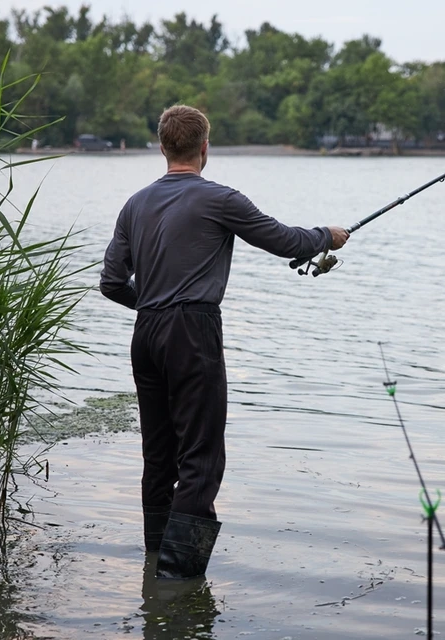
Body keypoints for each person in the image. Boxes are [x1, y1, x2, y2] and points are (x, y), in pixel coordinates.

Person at [100, 105, 349, 580]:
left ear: (162, 146)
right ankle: (179, 577)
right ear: (204, 148)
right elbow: (283, 240)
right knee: (201, 454)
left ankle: (156, 559)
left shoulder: (134, 204)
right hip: (192, 332)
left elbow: (111, 283)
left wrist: (154, 304)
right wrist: (327, 236)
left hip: (146, 333)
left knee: (159, 453)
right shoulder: (219, 199)